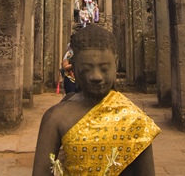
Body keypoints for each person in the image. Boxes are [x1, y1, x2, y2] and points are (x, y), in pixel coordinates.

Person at [33, 24, 160, 176]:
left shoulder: (134, 119)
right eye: (86, 69)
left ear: (116, 63)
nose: (96, 76)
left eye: (104, 68)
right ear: (74, 67)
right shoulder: (56, 117)